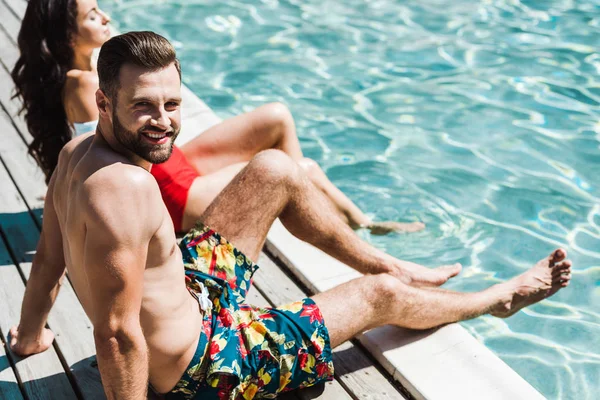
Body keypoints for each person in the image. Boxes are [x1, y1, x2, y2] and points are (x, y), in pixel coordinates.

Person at [9, 32, 572, 400]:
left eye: (172, 103)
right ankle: (496, 301)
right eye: (143, 107)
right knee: (376, 296)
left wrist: (31, 335)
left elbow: (52, 257)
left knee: (276, 168)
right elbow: (116, 334)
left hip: (191, 294)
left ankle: (390, 259)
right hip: (205, 366)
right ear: (104, 103)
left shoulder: (73, 155)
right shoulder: (126, 188)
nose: (162, 122)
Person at [11, 0, 424, 235]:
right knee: (299, 168)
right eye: (92, 15)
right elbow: (110, 164)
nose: (105, 17)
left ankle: (317, 206)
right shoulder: (84, 85)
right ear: (67, 36)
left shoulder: (88, 73)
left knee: (275, 117)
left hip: (170, 168)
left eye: (100, 8)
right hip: (169, 198)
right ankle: (355, 226)